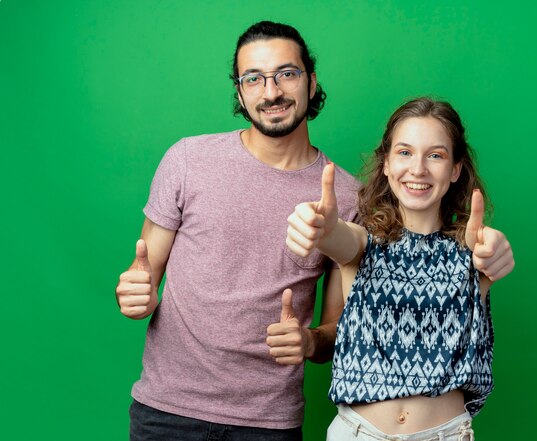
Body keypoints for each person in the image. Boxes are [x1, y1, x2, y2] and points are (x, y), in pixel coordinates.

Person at [116, 20, 514, 440]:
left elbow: (334, 331)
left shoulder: (347, 196)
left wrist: (307, 340)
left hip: (269, 421)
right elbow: (141, 276)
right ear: (240, 90)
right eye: (253, 78)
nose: (271, 92)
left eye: (286, 74)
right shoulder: (187, 160)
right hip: (166, 409)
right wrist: (132, 294)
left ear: (311, 81)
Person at [286, 97, 514, 440]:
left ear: (455, 169)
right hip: (358, 433)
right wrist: (320, 225)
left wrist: (496, 253)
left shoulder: (474, 250)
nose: (418, 169)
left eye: (435, 155)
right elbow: (336, 237)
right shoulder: (362, 244)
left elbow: (491, 255)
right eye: (404, 152)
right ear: (386, 165)